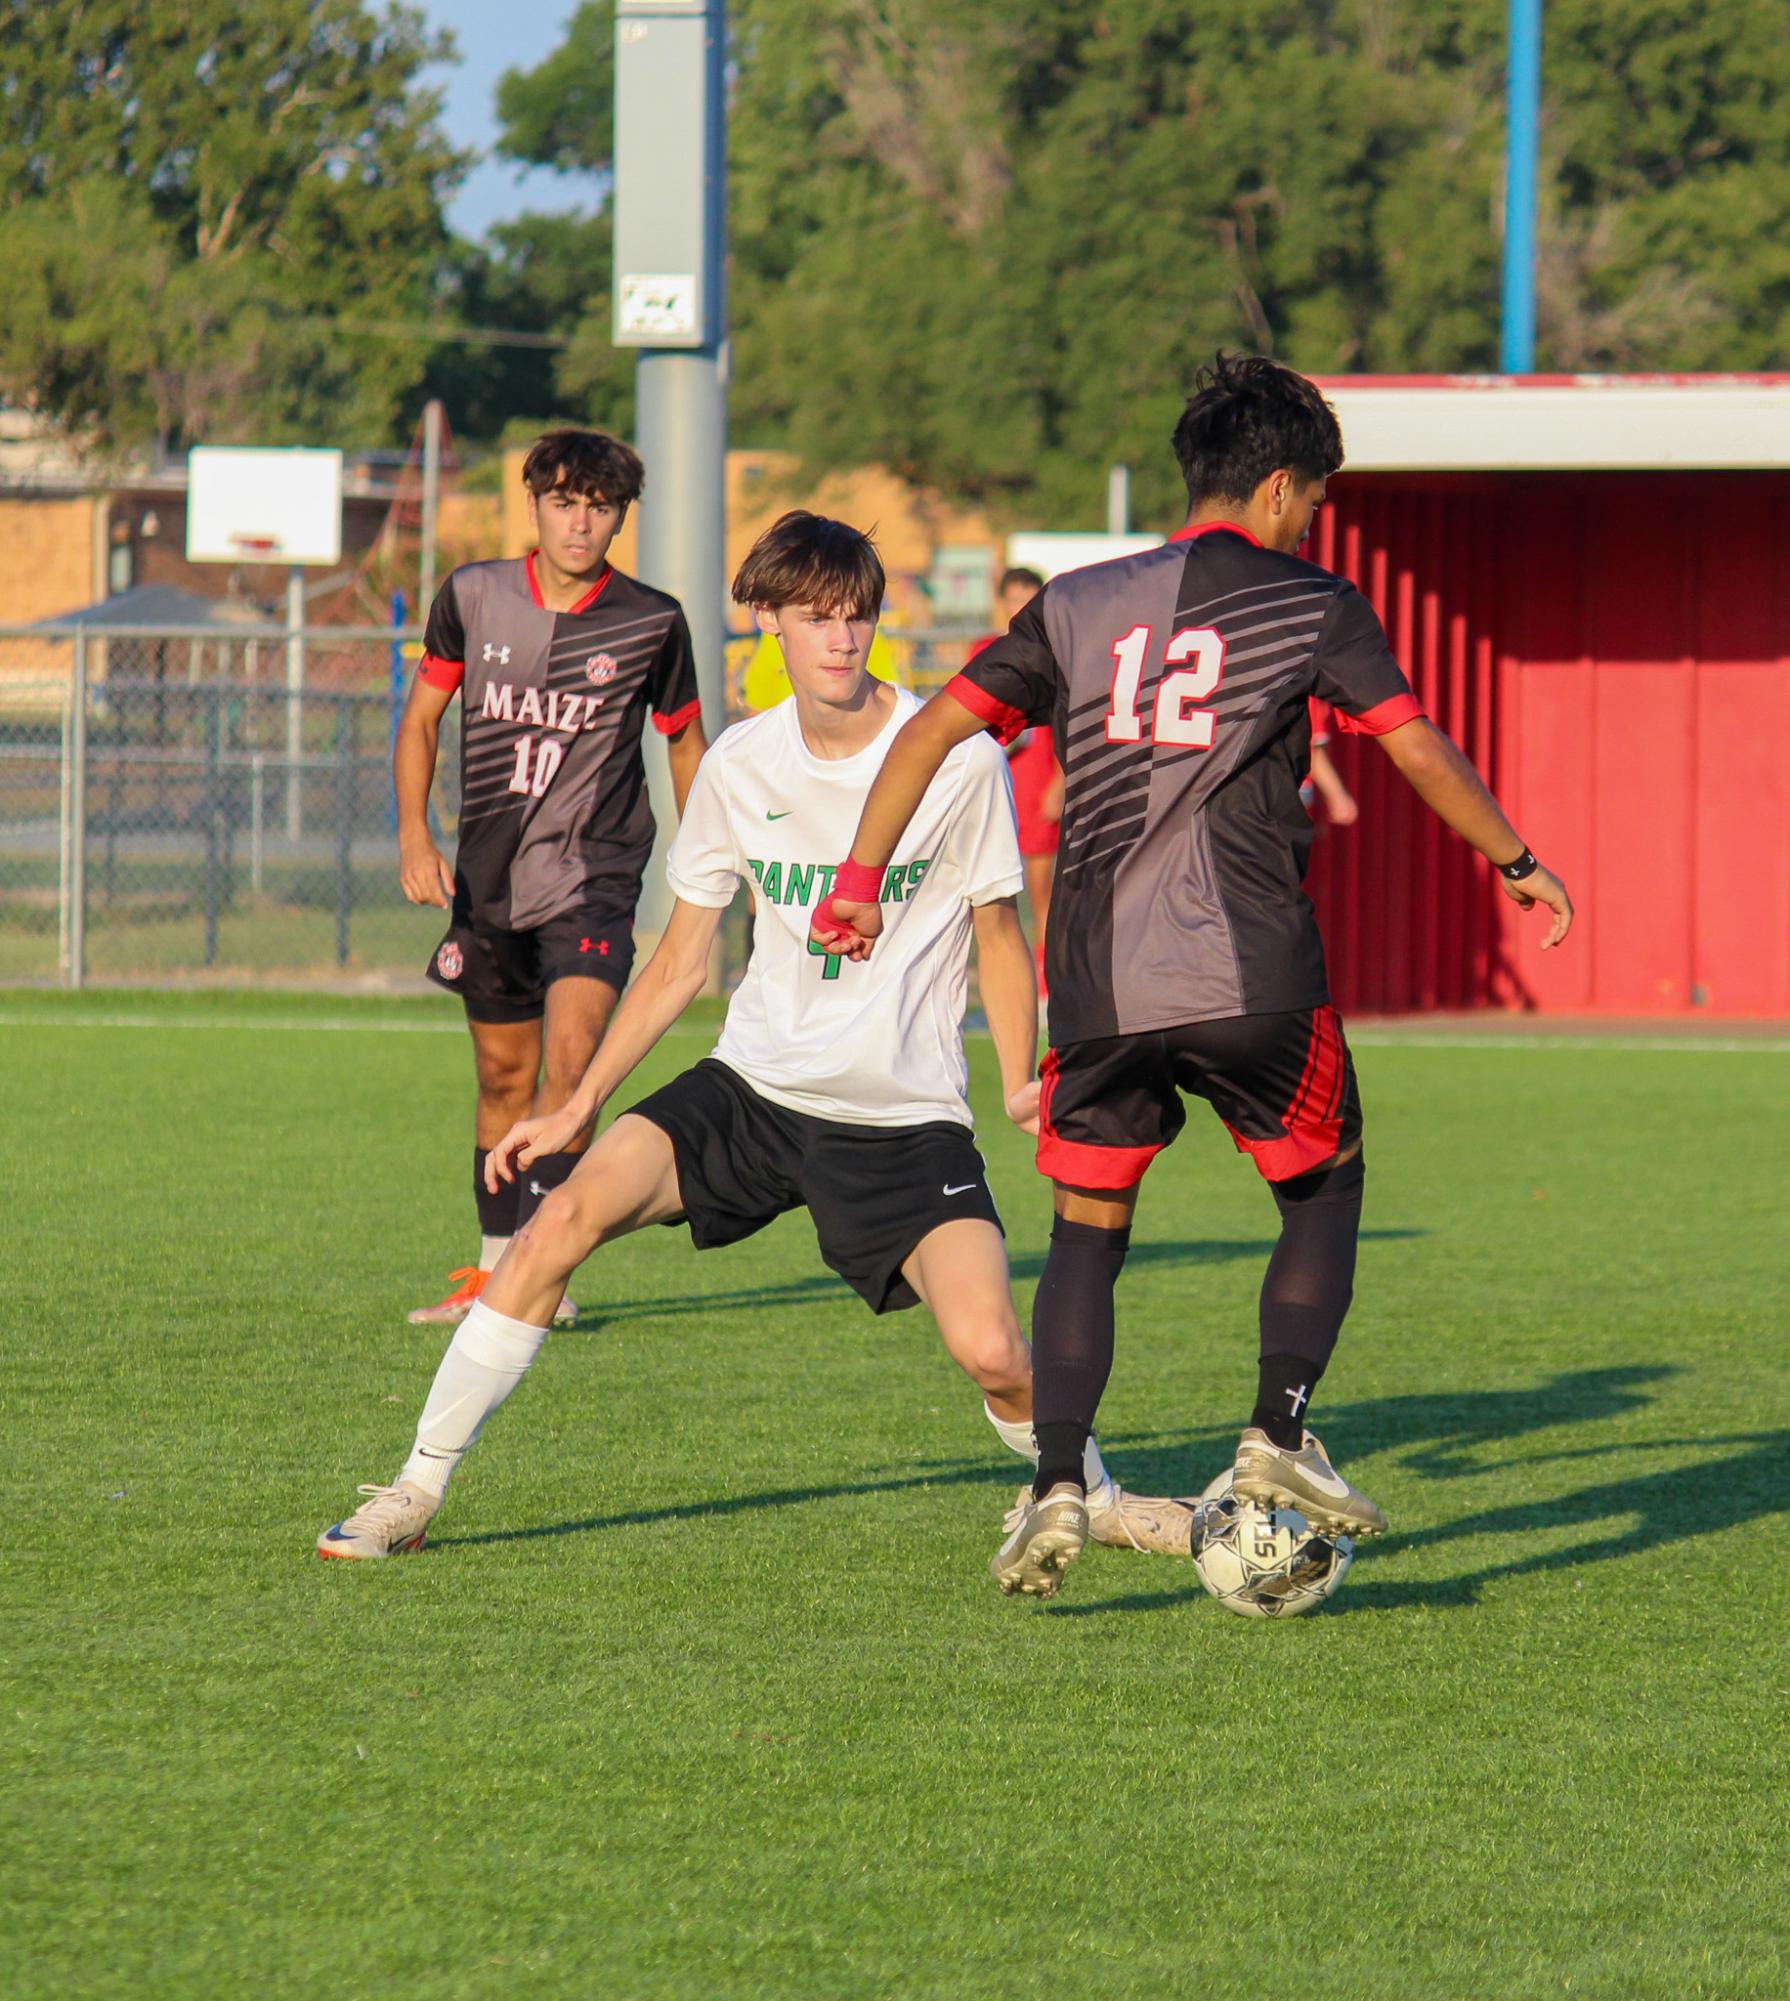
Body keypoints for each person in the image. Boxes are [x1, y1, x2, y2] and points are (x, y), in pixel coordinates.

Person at [811, 354, 1575, 1599]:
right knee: (1325, 1190)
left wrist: (854, 882)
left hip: (1100, 994)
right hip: (1250, 977)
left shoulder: (1071, 602)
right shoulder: (1312, 601)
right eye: (1313, 496)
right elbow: (1413, 747)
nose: (1314, 518)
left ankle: (1058, 1477)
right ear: (1276, 485)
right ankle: (1274, 1439)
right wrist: (1516, 858)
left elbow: (931, 730)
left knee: (1086, 1232)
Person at [320, 511, 1191, 1561]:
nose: (840, 638)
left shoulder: (950, 762)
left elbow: (995, 934)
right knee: (556, 1223)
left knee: (995, 1350)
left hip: (899, 1117)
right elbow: (683, 960)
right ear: (766, 620)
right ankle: (412, 1492)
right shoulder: (741, 763)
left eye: (857, 616)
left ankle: (1086, 1492)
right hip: (752, 1088)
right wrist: (578, 1104)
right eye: (816, 617)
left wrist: (1016, 1076)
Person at [393, 429, 707, 1327]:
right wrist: (416, 836)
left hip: (595, 877)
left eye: (600, 506)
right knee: (503, 1076)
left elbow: (685, 741)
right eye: (565, 502)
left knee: (571, 1073)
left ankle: (543, 1273)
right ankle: (495, 1270)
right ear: (533, 504)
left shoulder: (652, 618)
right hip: (488, 883)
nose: (582, 521)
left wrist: (710, 859)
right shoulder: (474, 594)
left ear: (619, 516)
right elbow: (421, 719)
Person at [969, 568, 1060, 982]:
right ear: (1002, 600)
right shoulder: (985, 649)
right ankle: (1001, 978)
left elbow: (1068, 719)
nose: (1020, 605)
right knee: (989, 892)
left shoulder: (1057, 649)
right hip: (993, 783)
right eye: (1014, 597)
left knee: (1043, 892)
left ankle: (1045, 982)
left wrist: (1061, 779)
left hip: (1038, 781)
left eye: (1029, 596)